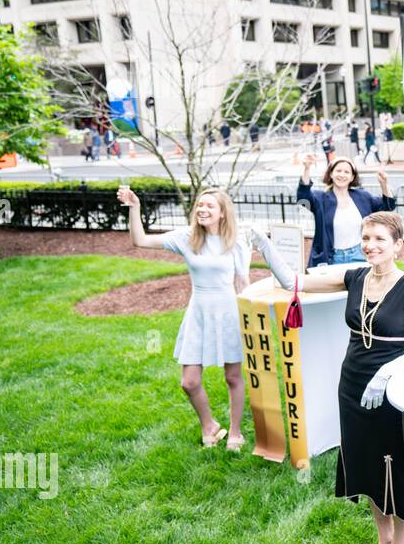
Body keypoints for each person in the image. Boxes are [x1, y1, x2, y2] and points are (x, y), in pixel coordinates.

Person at [300, 212, 404, 544]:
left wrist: (387, 375)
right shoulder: (355, 277)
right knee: (368, 464)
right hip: (353, 384)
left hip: (392, 389)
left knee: (394, 465)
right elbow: (297, 282)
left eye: (379, 239)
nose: (370, 245)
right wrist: (264, 248)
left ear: (397, 245)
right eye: (366, 237)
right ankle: (383, 541)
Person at [116, 186, 295, 450]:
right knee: (189, 382)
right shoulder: (187, 238)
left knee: (233, 377)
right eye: (200, 205)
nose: (202, 209)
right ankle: (209, 425)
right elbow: (140, 240)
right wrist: (135, 208)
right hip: (198, 313)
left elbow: (242, 281)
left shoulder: (235, 242)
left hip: (229, 313)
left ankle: (235, 432)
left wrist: (251, 318)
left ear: (222, 213)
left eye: (209, 206)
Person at [298, 153, 396, 266]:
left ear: (352, 177)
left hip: (360, 255)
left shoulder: (363, 197)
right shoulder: (321, 199)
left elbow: (388, 206)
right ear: (331, 174)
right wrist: (307, 168)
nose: (342, 175)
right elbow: (303, 198)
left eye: (346, 172)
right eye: (338, 171)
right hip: (331, 259)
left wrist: (383, 183)